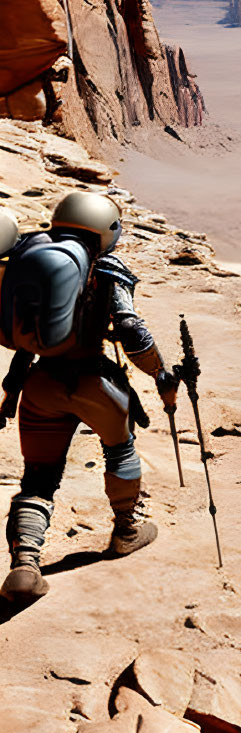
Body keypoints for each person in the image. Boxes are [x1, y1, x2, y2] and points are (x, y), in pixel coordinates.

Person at [0, 193, 178, 603]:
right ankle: (127, 531)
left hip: (41, 384)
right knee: (120, 450)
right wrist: (160, 373)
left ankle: (25, 565)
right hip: (92, 383)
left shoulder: (35, 256)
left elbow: (30, 336)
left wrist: (12, 391)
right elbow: (133, 333)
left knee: (38, 478)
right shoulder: (106, 269)